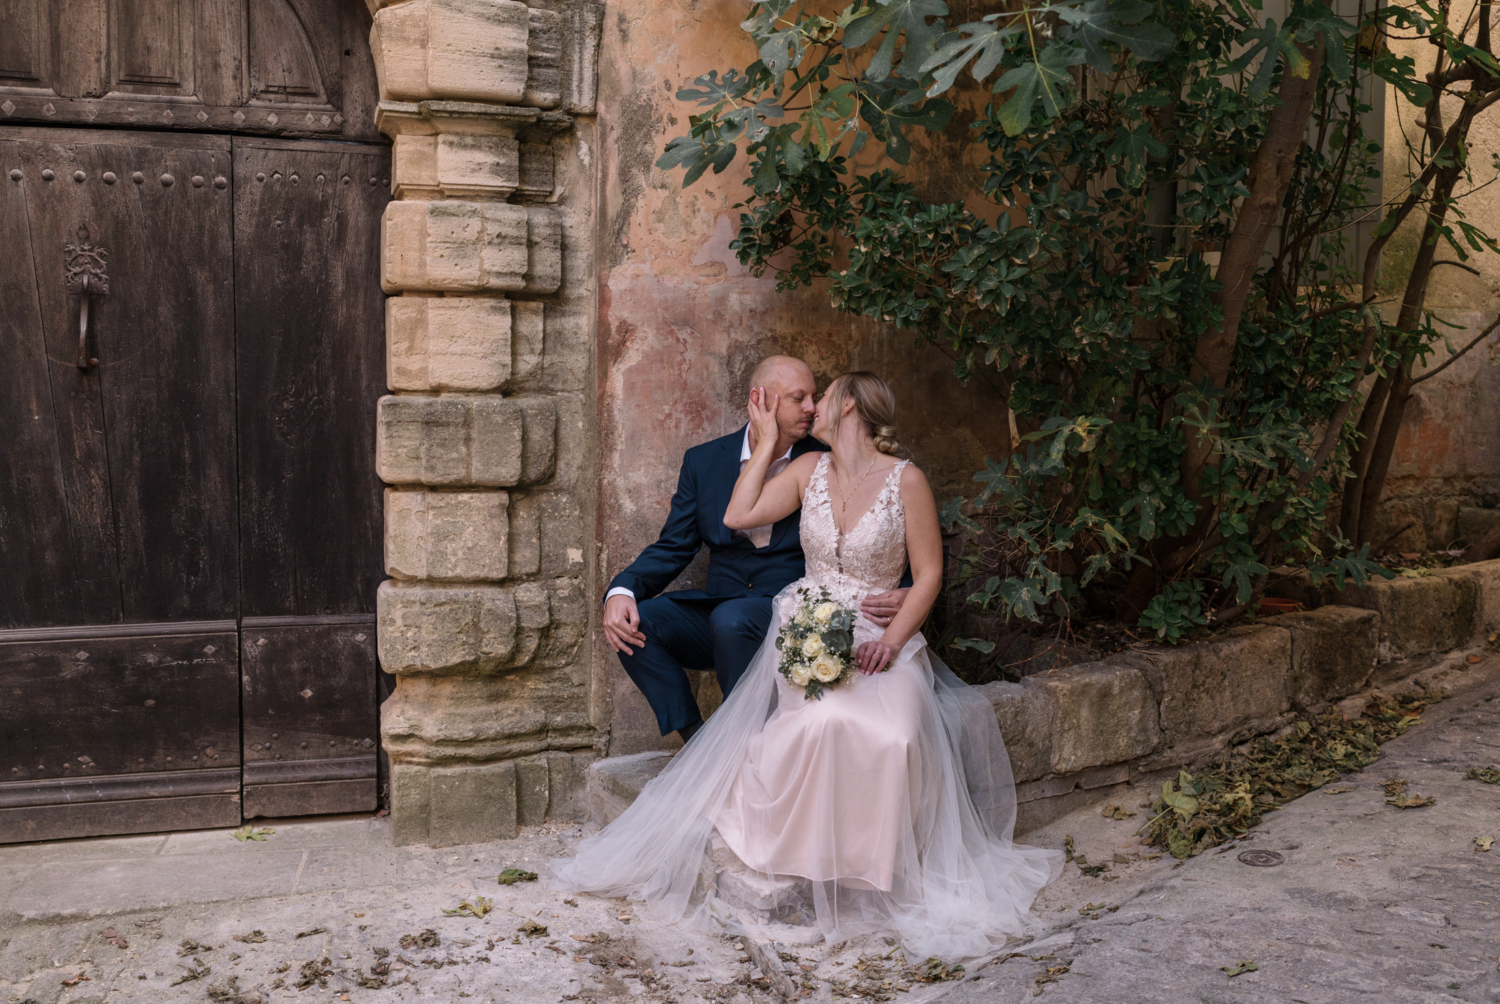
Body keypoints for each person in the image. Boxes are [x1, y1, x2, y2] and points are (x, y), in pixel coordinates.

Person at [552, 372, 1061, 959]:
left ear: (849, 408)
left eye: (824, 396)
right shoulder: (805, 471)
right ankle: (811, 858)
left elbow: (929, 577)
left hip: (881, 636)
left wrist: (893, 640)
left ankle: (873, 870)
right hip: (810, 629)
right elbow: (738, 515)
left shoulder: (908, 480)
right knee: (817, 725)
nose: (813, 405)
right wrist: (765, 441)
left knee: (893, 736)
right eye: (806, 396)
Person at [601, 356, 908, 744]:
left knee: (733, 619)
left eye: (816, 396)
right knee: (636, 623)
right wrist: (622, 589)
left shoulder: (823, 459)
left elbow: (876, 533)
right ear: (761, 400)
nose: (812, 408)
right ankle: (699, 742)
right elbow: (675, 544)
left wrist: (907, 588)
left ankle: (751, 743)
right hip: (721, 610)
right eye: (799, 398)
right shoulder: (704, 461)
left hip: (793, 611)